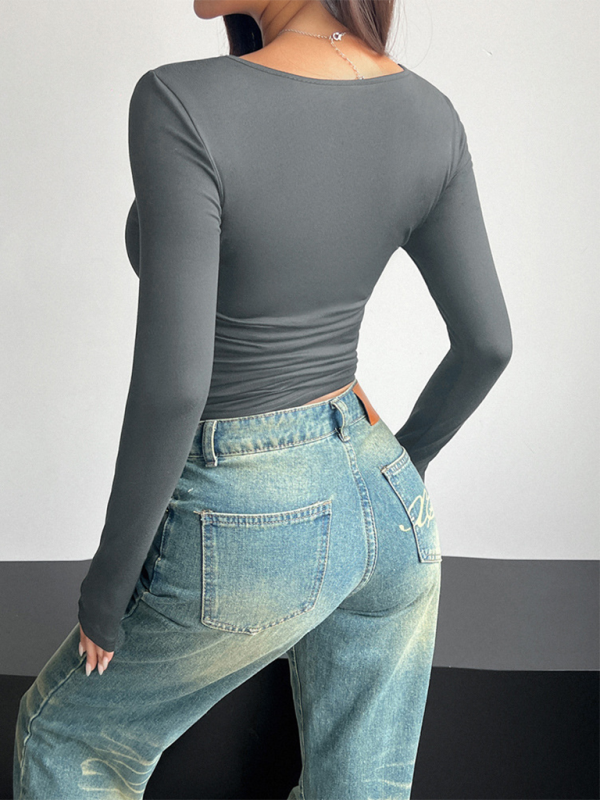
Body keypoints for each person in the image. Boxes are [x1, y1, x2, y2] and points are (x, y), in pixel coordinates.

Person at [13, 0, 512, 795]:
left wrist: (106, 592)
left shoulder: (179, 100)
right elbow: (489, 344)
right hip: (390, 509)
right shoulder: (430, 113)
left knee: (67, 740)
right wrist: (401, 469)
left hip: (255, 518)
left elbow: (177, 386)